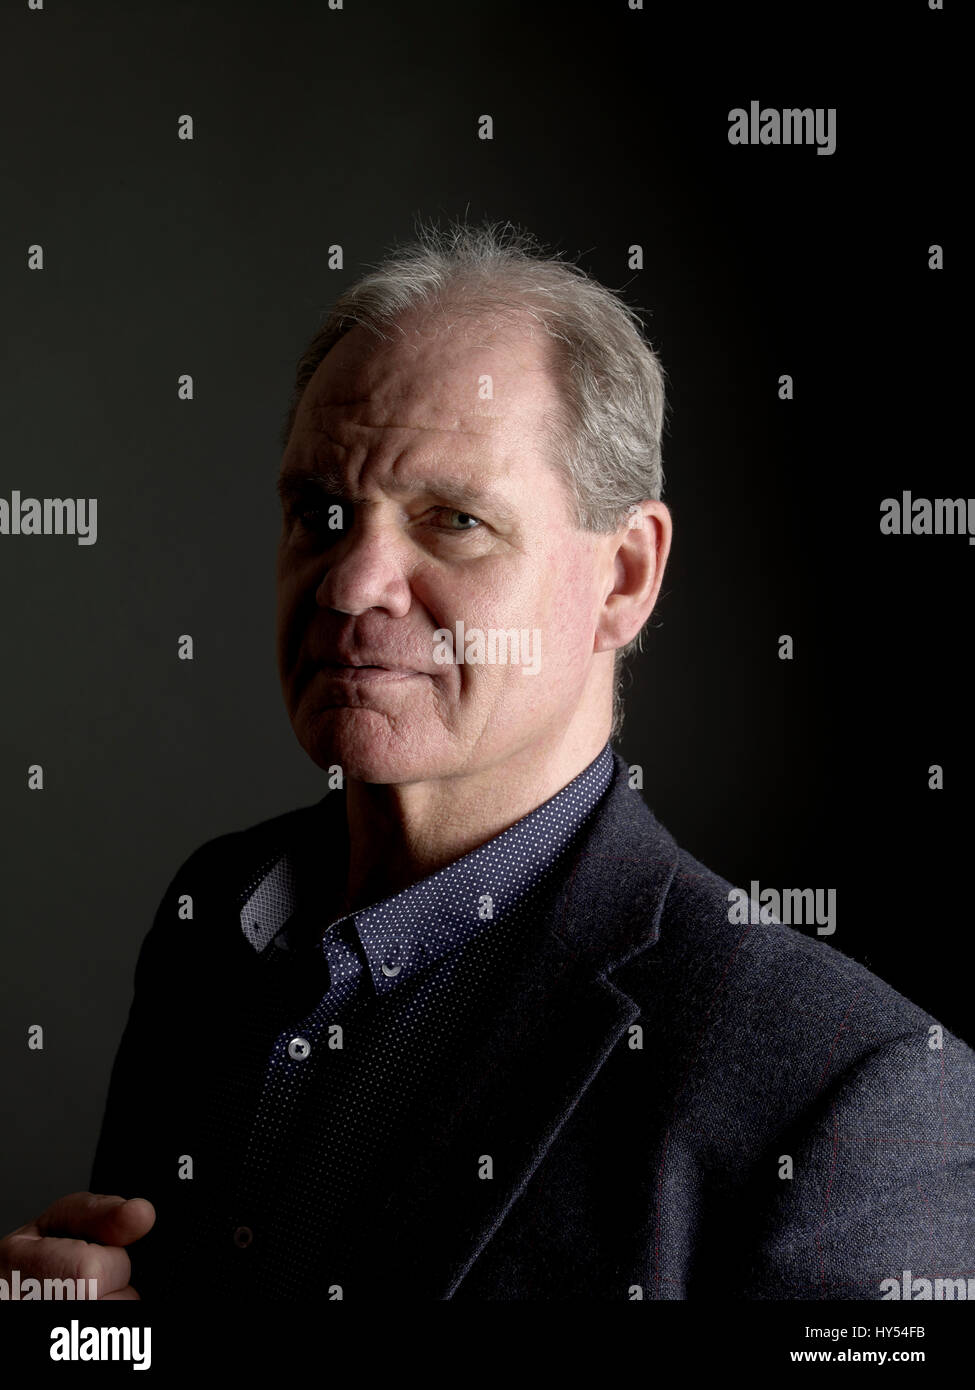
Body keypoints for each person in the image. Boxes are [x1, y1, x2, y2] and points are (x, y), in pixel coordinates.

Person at [3, 220, 972, 1300]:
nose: (349, 584)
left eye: (454, 520)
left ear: (625, 577)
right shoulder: (215, 920)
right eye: (321, 514)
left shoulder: (848, 1094)